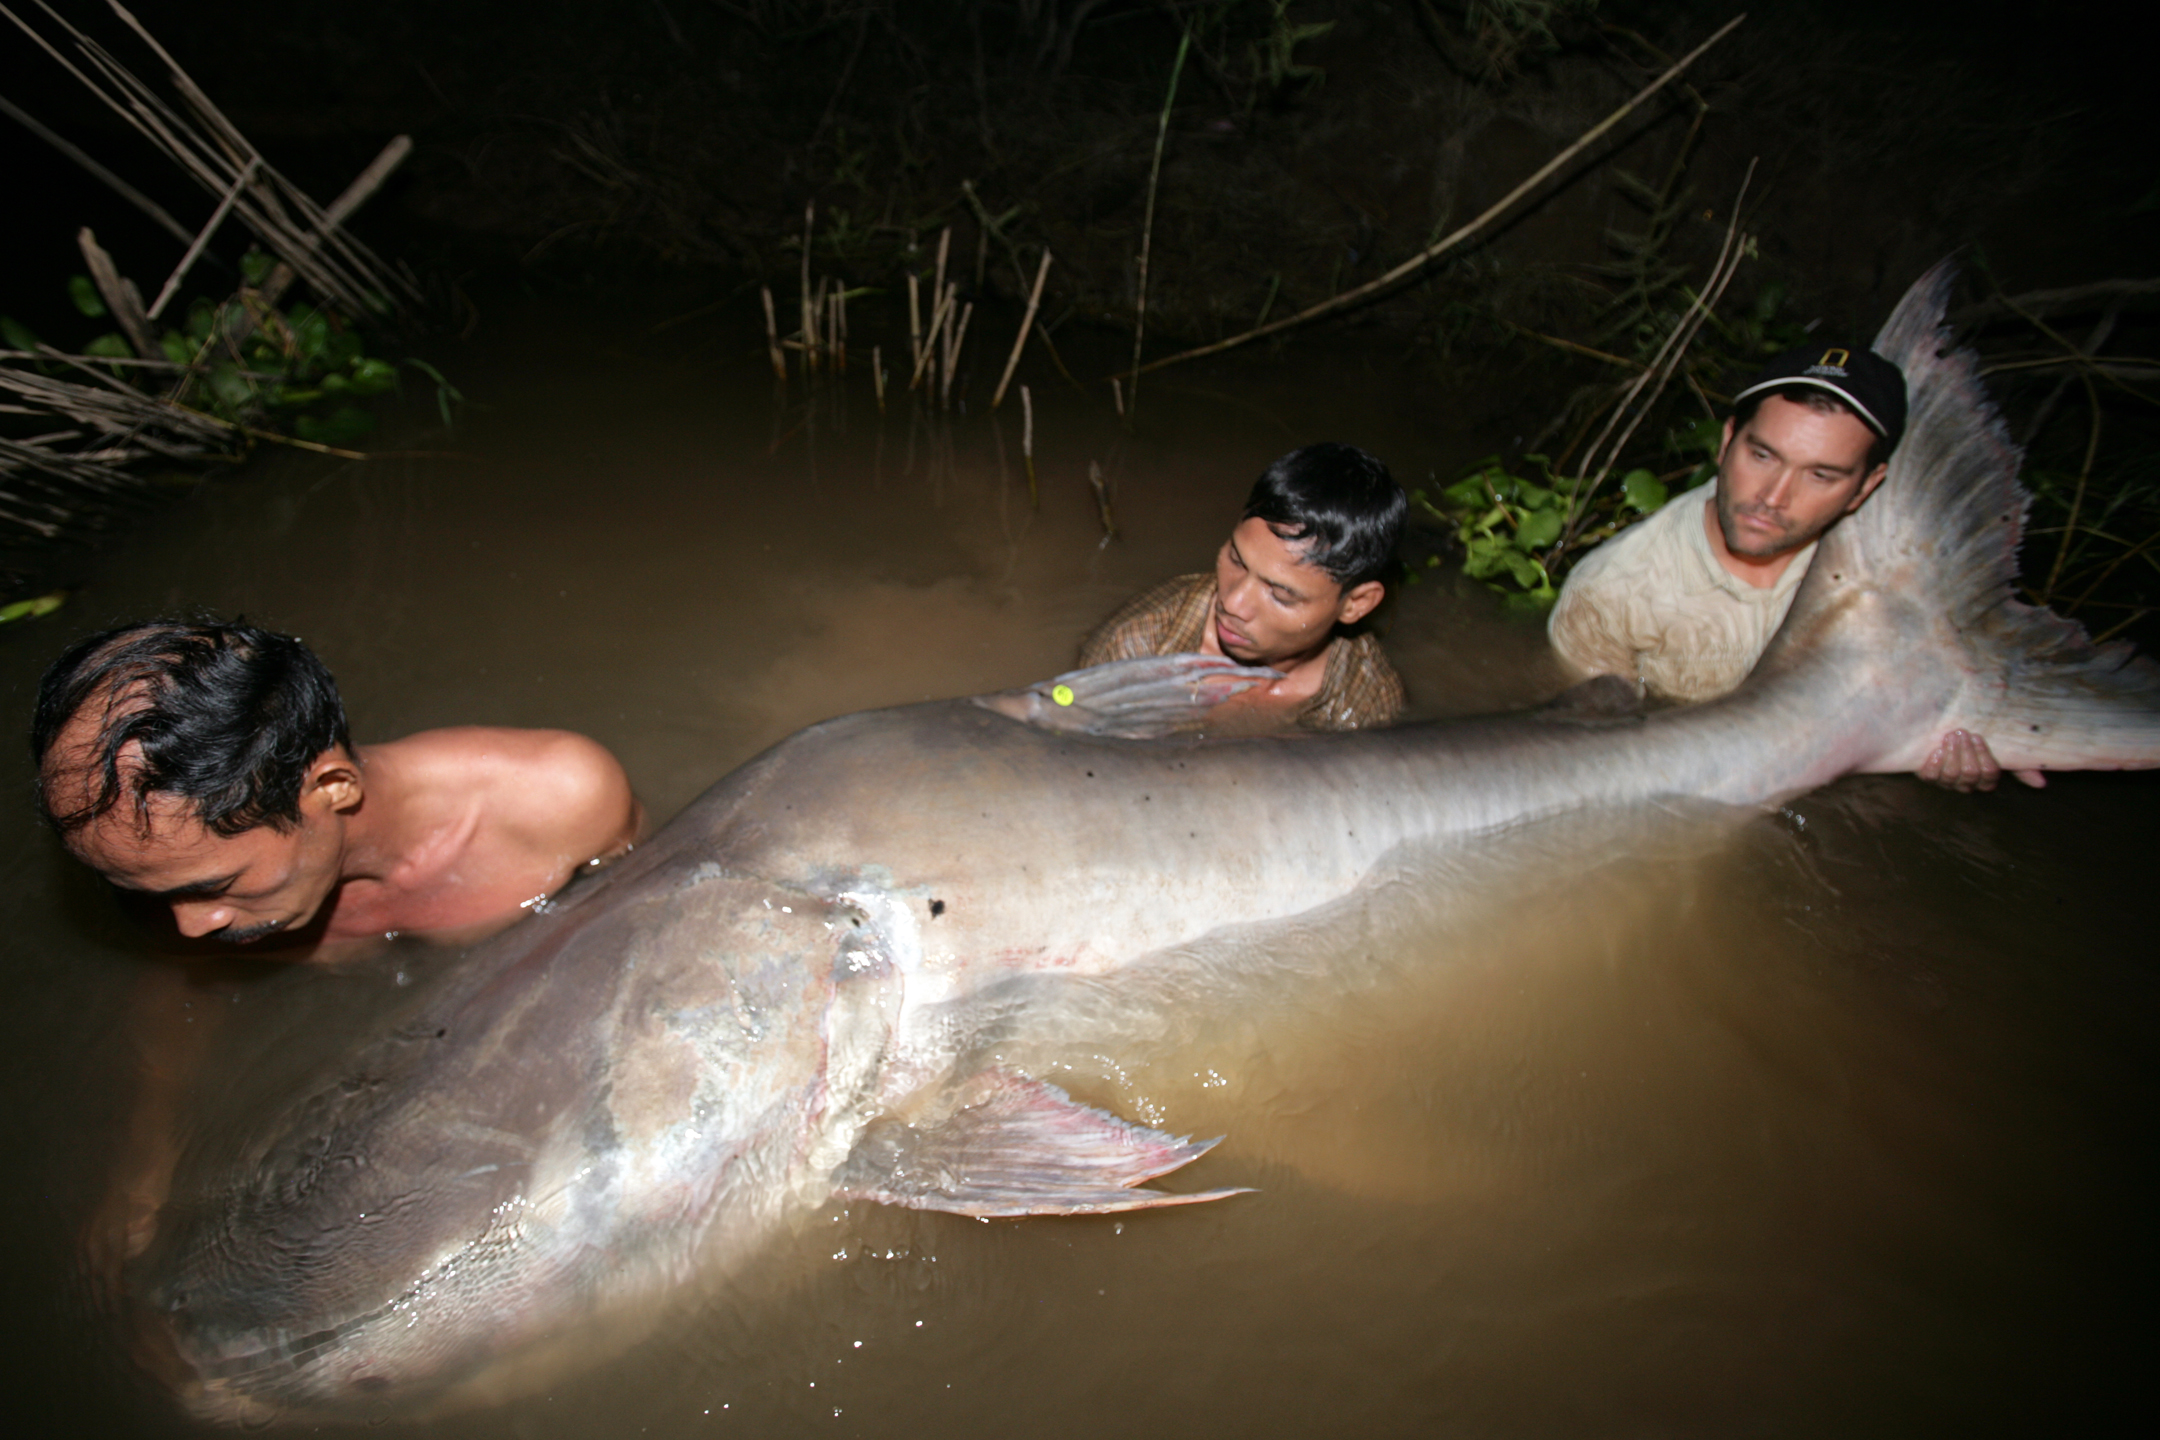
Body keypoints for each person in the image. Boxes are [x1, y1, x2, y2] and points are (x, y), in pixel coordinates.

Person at [1547, 343, 2038, 792]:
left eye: (1820, 474)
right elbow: (1589, 760)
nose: (1772, 497)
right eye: (1762, 455)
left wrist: (1970, 732)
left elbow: (1967, 680)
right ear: (1727, 441)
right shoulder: (1611, 590)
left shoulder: (1899, 570)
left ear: (1866, 487)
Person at [33, 618, 644, 952]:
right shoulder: (159, 871)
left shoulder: (562, 800)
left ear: (330, 786)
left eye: (214, 887)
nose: (190, 927)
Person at [1078, 442, 1407, 731]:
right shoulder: (1133, 650)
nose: (1233, 603)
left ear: (1357, 604)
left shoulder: (1367, 696)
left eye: (1280, 594)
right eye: (1236, 560)